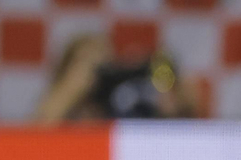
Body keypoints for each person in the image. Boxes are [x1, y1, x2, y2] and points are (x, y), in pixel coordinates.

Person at [34, 35, 198, 123]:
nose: (98, 77)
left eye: (105, 66)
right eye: (90, 65)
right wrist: (72, 89)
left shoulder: (121, 108)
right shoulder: (60, 112)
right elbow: (36, 133)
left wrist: (175, 97)